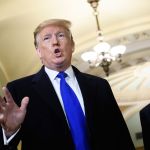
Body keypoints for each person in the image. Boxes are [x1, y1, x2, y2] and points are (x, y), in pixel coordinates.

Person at [0, 18, 135, 150]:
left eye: (61, 35)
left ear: (72, 45)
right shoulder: (19, 90)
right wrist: (10, 132)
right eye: (47, 38)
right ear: (38, 51)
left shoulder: (100, 86)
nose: (55, 42)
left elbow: (120, 135)